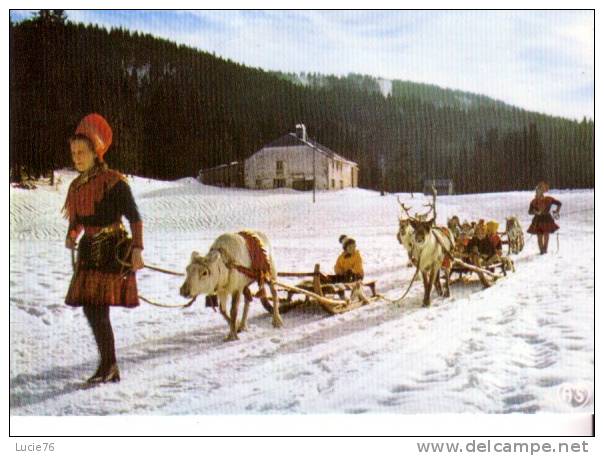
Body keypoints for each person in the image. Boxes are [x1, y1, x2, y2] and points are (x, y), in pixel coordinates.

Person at [63, 113, 144, 384]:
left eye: (81, 152)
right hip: (88, 252)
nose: (76, 158)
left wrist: (137, 249)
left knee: (97, 309)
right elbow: (78, 221)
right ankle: (109, 366)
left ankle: (109, 366)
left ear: (96, 152)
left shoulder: (113, 181)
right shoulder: (76, 187)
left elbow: (134, 217)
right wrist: (72, 234)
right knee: (92, 308)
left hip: (111, 250)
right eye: (73, 153)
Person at [527, 181, 561, 254]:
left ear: (542, 192)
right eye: (537, 191)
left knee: (546, 235)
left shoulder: (549, 199)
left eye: (539, 191)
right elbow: (529, 212)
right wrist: (535, 212)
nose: (537, 193)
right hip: (538, 220)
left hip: (547, 219)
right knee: (539, 236)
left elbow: (559, 203)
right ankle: (541, 250)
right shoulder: (533, 201)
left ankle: (545, 250)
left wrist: (557, 211)